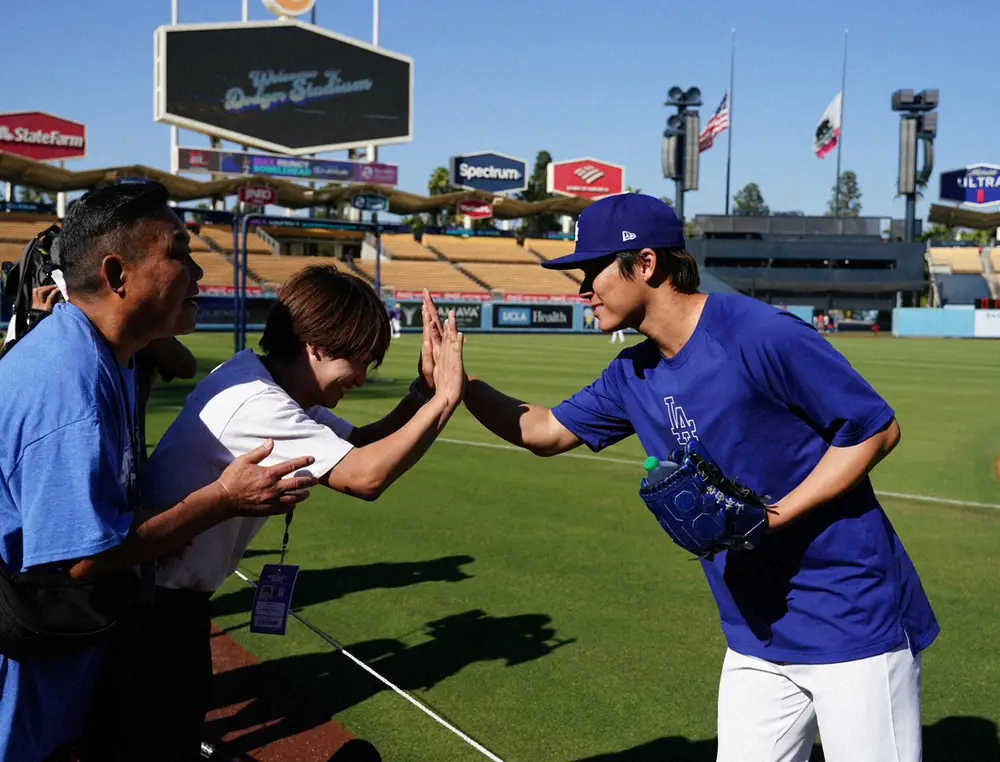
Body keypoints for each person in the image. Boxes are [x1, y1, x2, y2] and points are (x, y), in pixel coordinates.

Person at [457, 194, 939, 762]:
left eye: (591, 272)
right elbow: (544, 432)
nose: (581, 290)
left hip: (851, 618)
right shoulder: (631, 374)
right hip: (755, 633)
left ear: (645, 264)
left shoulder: (758, 333)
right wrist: (457, 386)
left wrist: (776, 515)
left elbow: (874, 430)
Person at [80, 266, 467, 761]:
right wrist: (445, 399)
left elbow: (358, 445)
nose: (364, 378)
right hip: (156, 611)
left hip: (158, 598)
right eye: (360, 359)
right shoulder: (260, 404)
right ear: (317, 346)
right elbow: (366, 477)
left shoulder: (260, 377)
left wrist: (420, 394)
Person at [0, 182, 318, 762]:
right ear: (118, 274)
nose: (197, 271)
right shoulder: (67, 384)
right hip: (24, 670)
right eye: (178, 252)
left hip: (58, 645)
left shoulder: (102, 352)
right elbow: (80, 559)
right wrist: (222, 499)